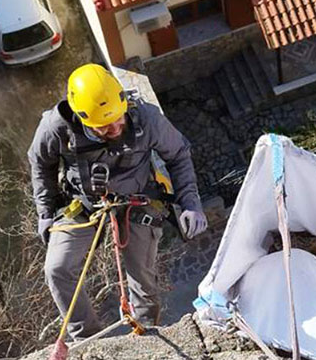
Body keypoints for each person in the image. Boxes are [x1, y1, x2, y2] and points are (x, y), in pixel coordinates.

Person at [28, 63, 207, 339]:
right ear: (83, 118)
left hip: (137, 203)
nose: (114, 129)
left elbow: (179, 154)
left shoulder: (146, 119)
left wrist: (191, 203)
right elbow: (41, 164)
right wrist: (46, 212)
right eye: (104, 127)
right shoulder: (57, 127)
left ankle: (145, 333)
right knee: (57, 269)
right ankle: (88, 338)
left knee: (142, 280)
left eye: (118, 120)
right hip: (84, 205)